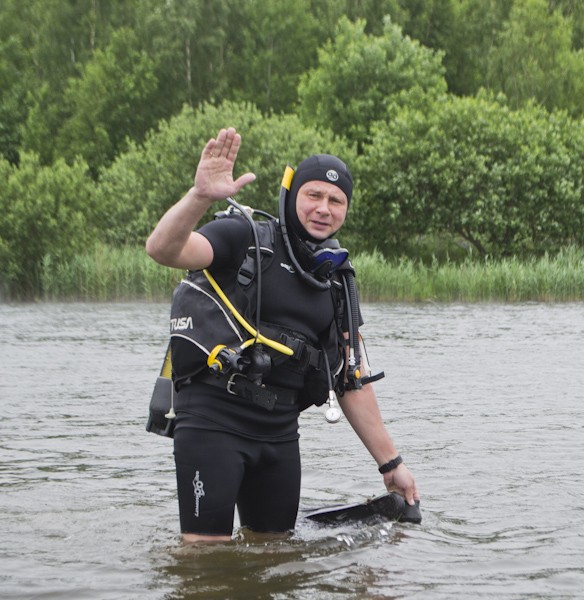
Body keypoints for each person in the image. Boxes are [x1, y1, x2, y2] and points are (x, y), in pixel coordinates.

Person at [146, 127, 419, 543]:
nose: (323, 208)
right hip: (212, 422)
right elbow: (163, 249)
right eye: (314, 195)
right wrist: (199, 196)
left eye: (336, 200)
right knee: (205, 561)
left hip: (278, 435)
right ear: (292, 196)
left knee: (275, 555)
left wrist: (391, 464)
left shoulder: (336, 280)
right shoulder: (246, 238)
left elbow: (351, 382)